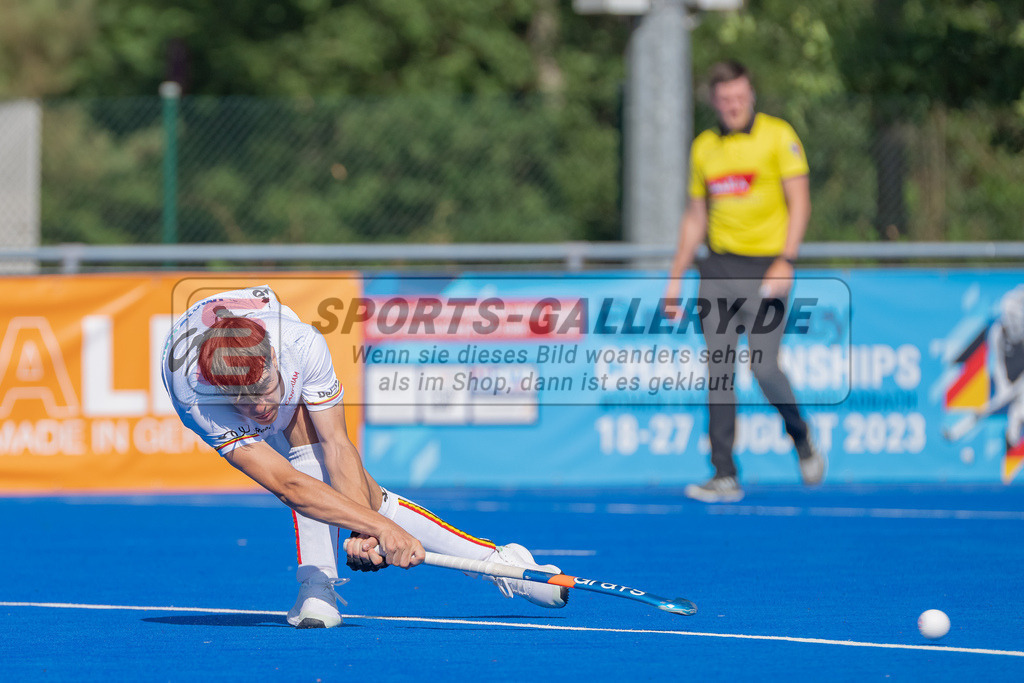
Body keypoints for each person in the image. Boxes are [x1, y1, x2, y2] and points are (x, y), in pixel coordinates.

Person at [161, 285, 567, 628]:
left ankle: (503, 564)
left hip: (265, 317)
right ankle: (317, 585)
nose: (260, 407)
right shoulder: (196, 397)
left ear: (274, 361)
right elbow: (288, 485)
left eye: (265, 388)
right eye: (242, 400)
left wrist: (365, 532)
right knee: (327, 486)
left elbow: (338, 445)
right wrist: (379, 528)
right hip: (198, 362)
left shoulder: (301, 345)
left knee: (338, 469)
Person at [664, 60, 826, 502]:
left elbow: (800, 202)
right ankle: (724, 473)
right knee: (719, 372)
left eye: (739, 97)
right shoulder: (704, 148)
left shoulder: (779, 136)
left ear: (750, 94)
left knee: (764, 368)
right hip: (717, 271)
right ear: (714, 102)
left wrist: (786, 260)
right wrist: (674, 279)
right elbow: (695, 217)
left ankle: (801, 436)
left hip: (767, 270)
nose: (733, 105)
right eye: (725, 99)